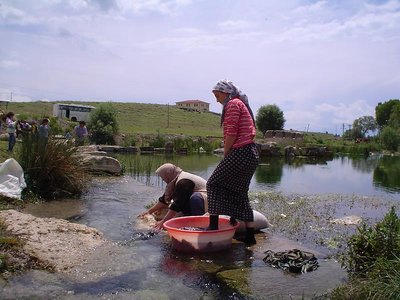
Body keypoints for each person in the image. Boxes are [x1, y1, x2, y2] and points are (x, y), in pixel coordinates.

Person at [206, 80, 259, 245]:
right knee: (240, 192)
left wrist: (226, 151)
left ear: (226, 92)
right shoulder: (239, 103)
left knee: (213, 184)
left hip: (240, 151)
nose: (216, 100)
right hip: (250, 153)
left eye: (217, 95)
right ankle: (250, 236)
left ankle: (213, 226)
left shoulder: (233, 104)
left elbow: (231, 132)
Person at [138, 163, 208, 230]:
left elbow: (177, 204)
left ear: (168, 174)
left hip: (207, 200)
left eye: (163, 177)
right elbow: (163, 200)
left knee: (195, 198)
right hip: (198, 200)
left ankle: (199, 224)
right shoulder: (174, 180)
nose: (163, 179)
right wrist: (149, 212)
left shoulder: (183, 181)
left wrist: (163, 222)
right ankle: (189, 217)